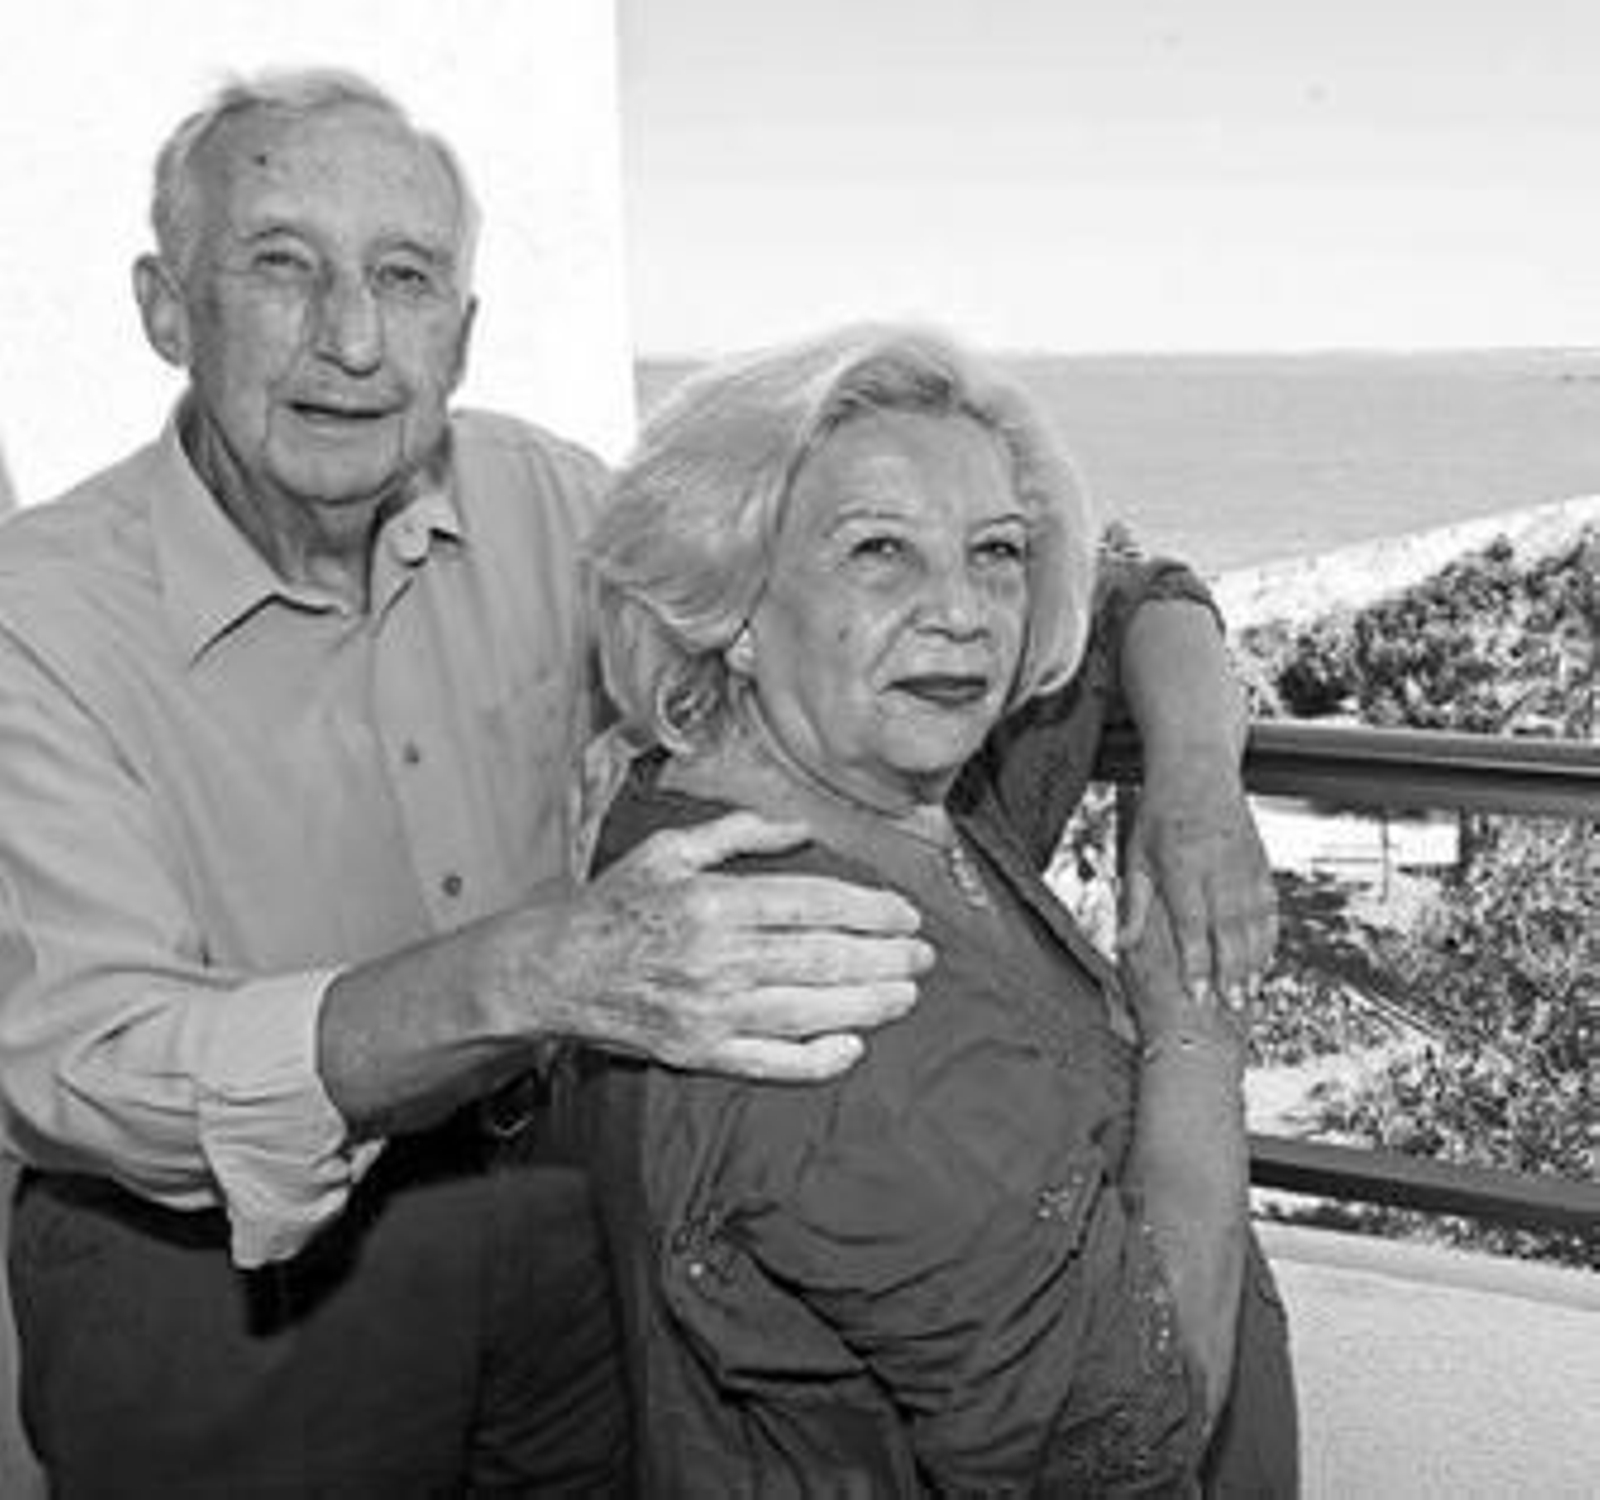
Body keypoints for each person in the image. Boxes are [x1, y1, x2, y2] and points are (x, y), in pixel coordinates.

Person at [0, 69, 1272, 1496]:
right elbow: (84, 1062)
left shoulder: (550, 502)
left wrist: (1196, 792)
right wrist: (526, 977)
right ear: (168, 307)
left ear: (463, 329)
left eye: (405, 277)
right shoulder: (35, 618)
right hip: (227, 1280)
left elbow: (1033, 588)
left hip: (561, 1212)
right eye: (281, 268)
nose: (352, 338)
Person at [581, 323, 1299, 1496]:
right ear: (733, 604)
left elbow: (1141, 597)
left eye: (997, 553)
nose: (963, 613)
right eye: (879, 551)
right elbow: (1130, 1442)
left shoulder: (920, 799)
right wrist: (1196, 1032)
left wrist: (1194, 787)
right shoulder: (805, 981)